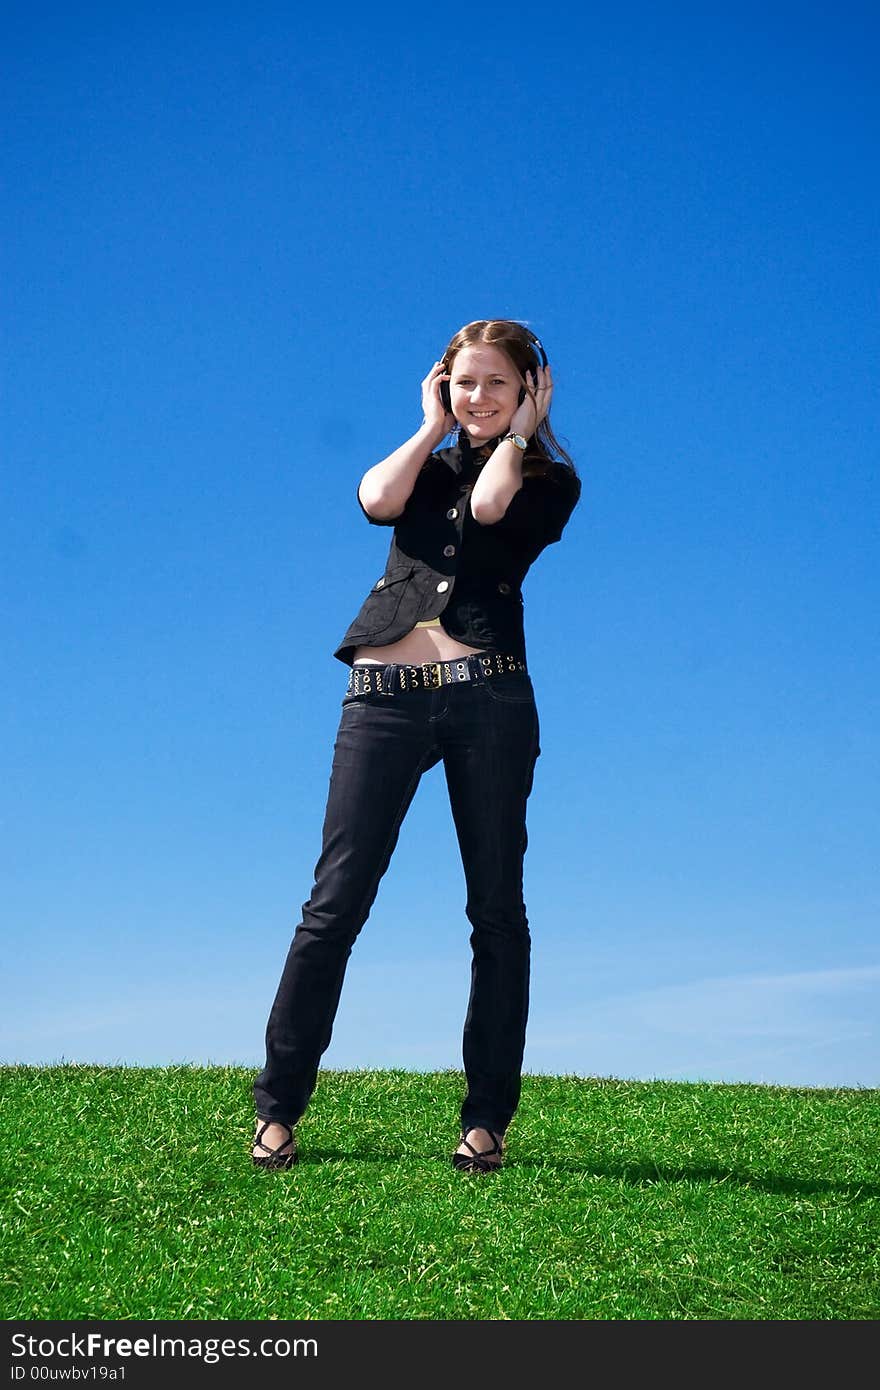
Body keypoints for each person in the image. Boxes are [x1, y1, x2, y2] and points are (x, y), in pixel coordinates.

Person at [252, 318, 581, 1174]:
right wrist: (431, 425)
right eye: (465, 382)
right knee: (334, 905)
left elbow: (489, 509)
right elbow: (374, 501)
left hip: (489, 700)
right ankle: (277, 1110)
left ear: (529, 391)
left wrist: (516, 435)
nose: (479, 398)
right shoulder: (423, 462)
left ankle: (484, 1123)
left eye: (498, 386)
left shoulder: (548, 476)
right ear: (442, 382)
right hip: (382, 702)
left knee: (495, 913)